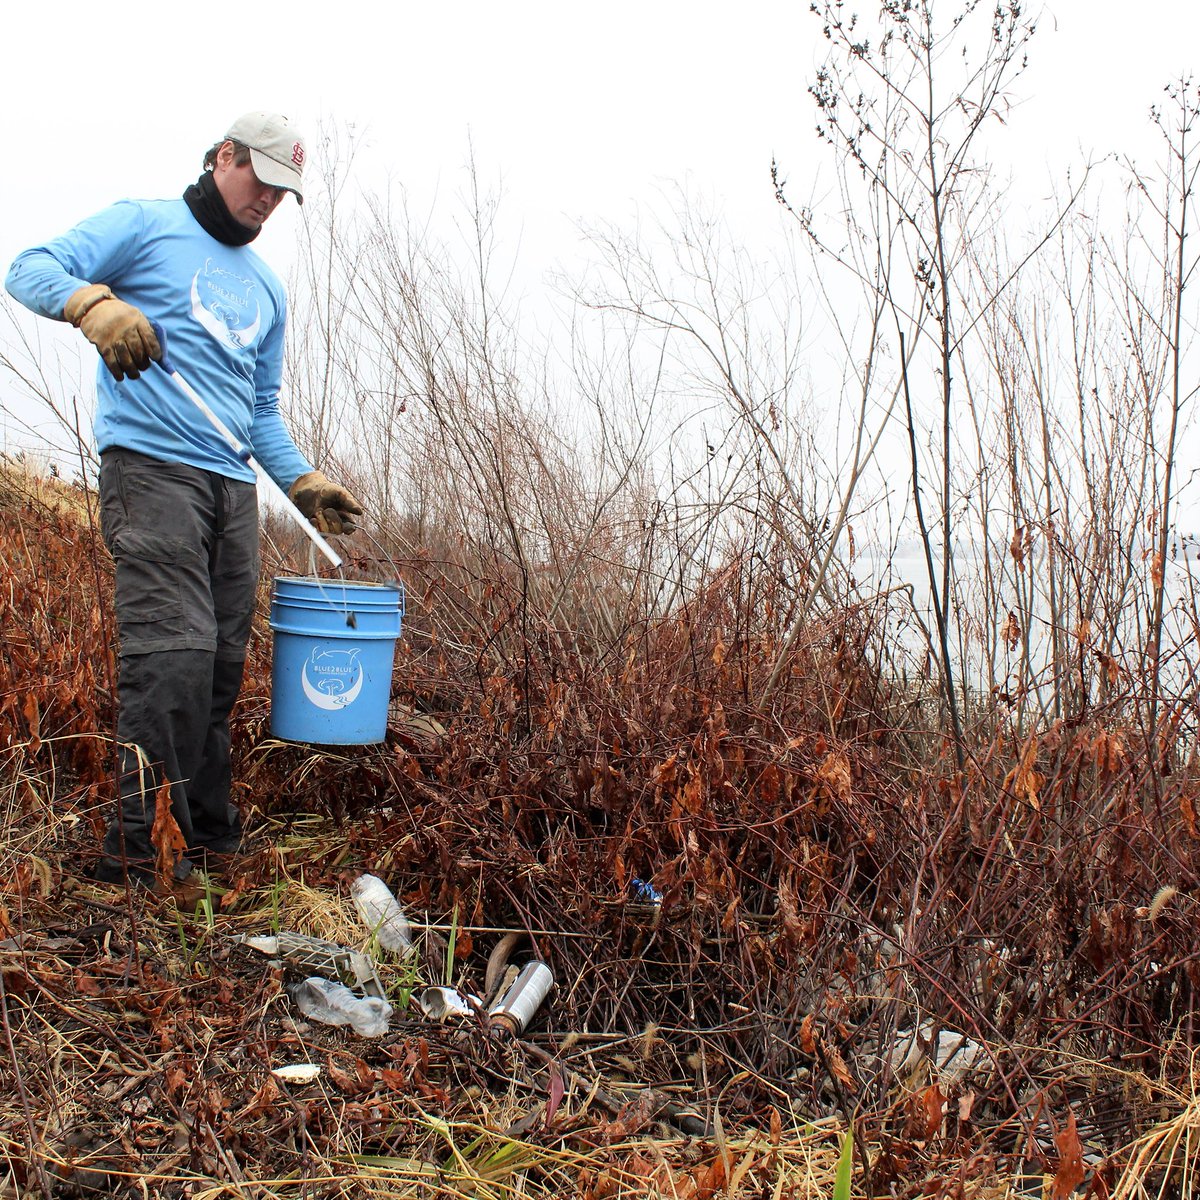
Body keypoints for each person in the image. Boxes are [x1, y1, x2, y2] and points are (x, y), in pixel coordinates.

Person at [5, 111, 363, 885]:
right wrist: (93, 305)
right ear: (224, 156)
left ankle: (203, 836)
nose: (268, 201)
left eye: (283, 194)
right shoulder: (145, 226)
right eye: (260, 180)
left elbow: (258, 409)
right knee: (173, 654)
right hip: (153, 469)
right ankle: (135, 853)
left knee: (219, 669)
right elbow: (29, 267)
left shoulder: (268, 288)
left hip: (232, 488)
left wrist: (300, 479)